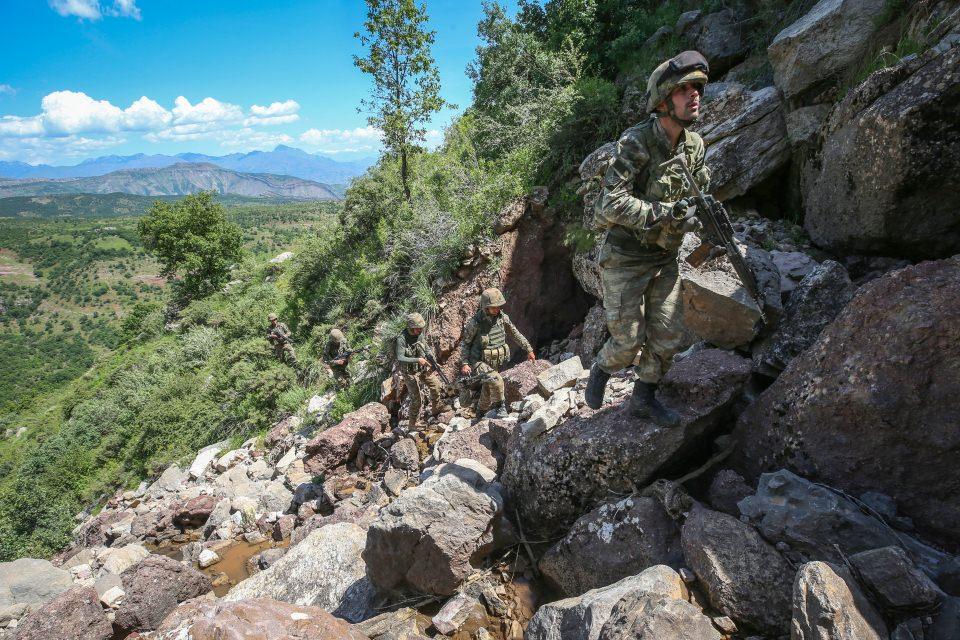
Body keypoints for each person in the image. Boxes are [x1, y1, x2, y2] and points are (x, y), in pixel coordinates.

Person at [584, 50, 712, 427]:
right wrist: (663, 213)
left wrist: (700, 216)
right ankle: (602, 369)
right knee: (626, 342)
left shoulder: (694, 147)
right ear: (663, 99)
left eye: (698, 88)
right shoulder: (636, 142)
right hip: (625, 257)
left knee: (668, 336)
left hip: (664, 257)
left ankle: (643, 398)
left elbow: (700, 193)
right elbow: (609, 204)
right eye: (684, 89)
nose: (694, 96)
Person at [460, 287, 535, 419]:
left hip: (493, 361)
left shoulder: (502, 318)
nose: (497, 309)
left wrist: (528, 349)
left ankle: (480, 413)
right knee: (496, 380)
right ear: (485, 307)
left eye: (499, 306)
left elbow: (515, 334)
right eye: (493, 307)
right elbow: (465, 344)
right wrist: (465, 363)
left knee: (488, 388)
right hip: (477, 361)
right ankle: (500, 408)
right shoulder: (475, 323)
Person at [395, 312, 447, 430]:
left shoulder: (420, 335)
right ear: (411, 328)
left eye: (421, 328)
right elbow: (400, 357)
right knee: (416, 398)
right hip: (409, 373)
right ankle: (412, 424)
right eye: (418, 329)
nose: (420, 331)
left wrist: (432, 360)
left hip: (422, 369)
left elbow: (426, 348)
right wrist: (417, 360)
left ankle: (436, 407)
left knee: (436, 385)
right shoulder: (401, 339)